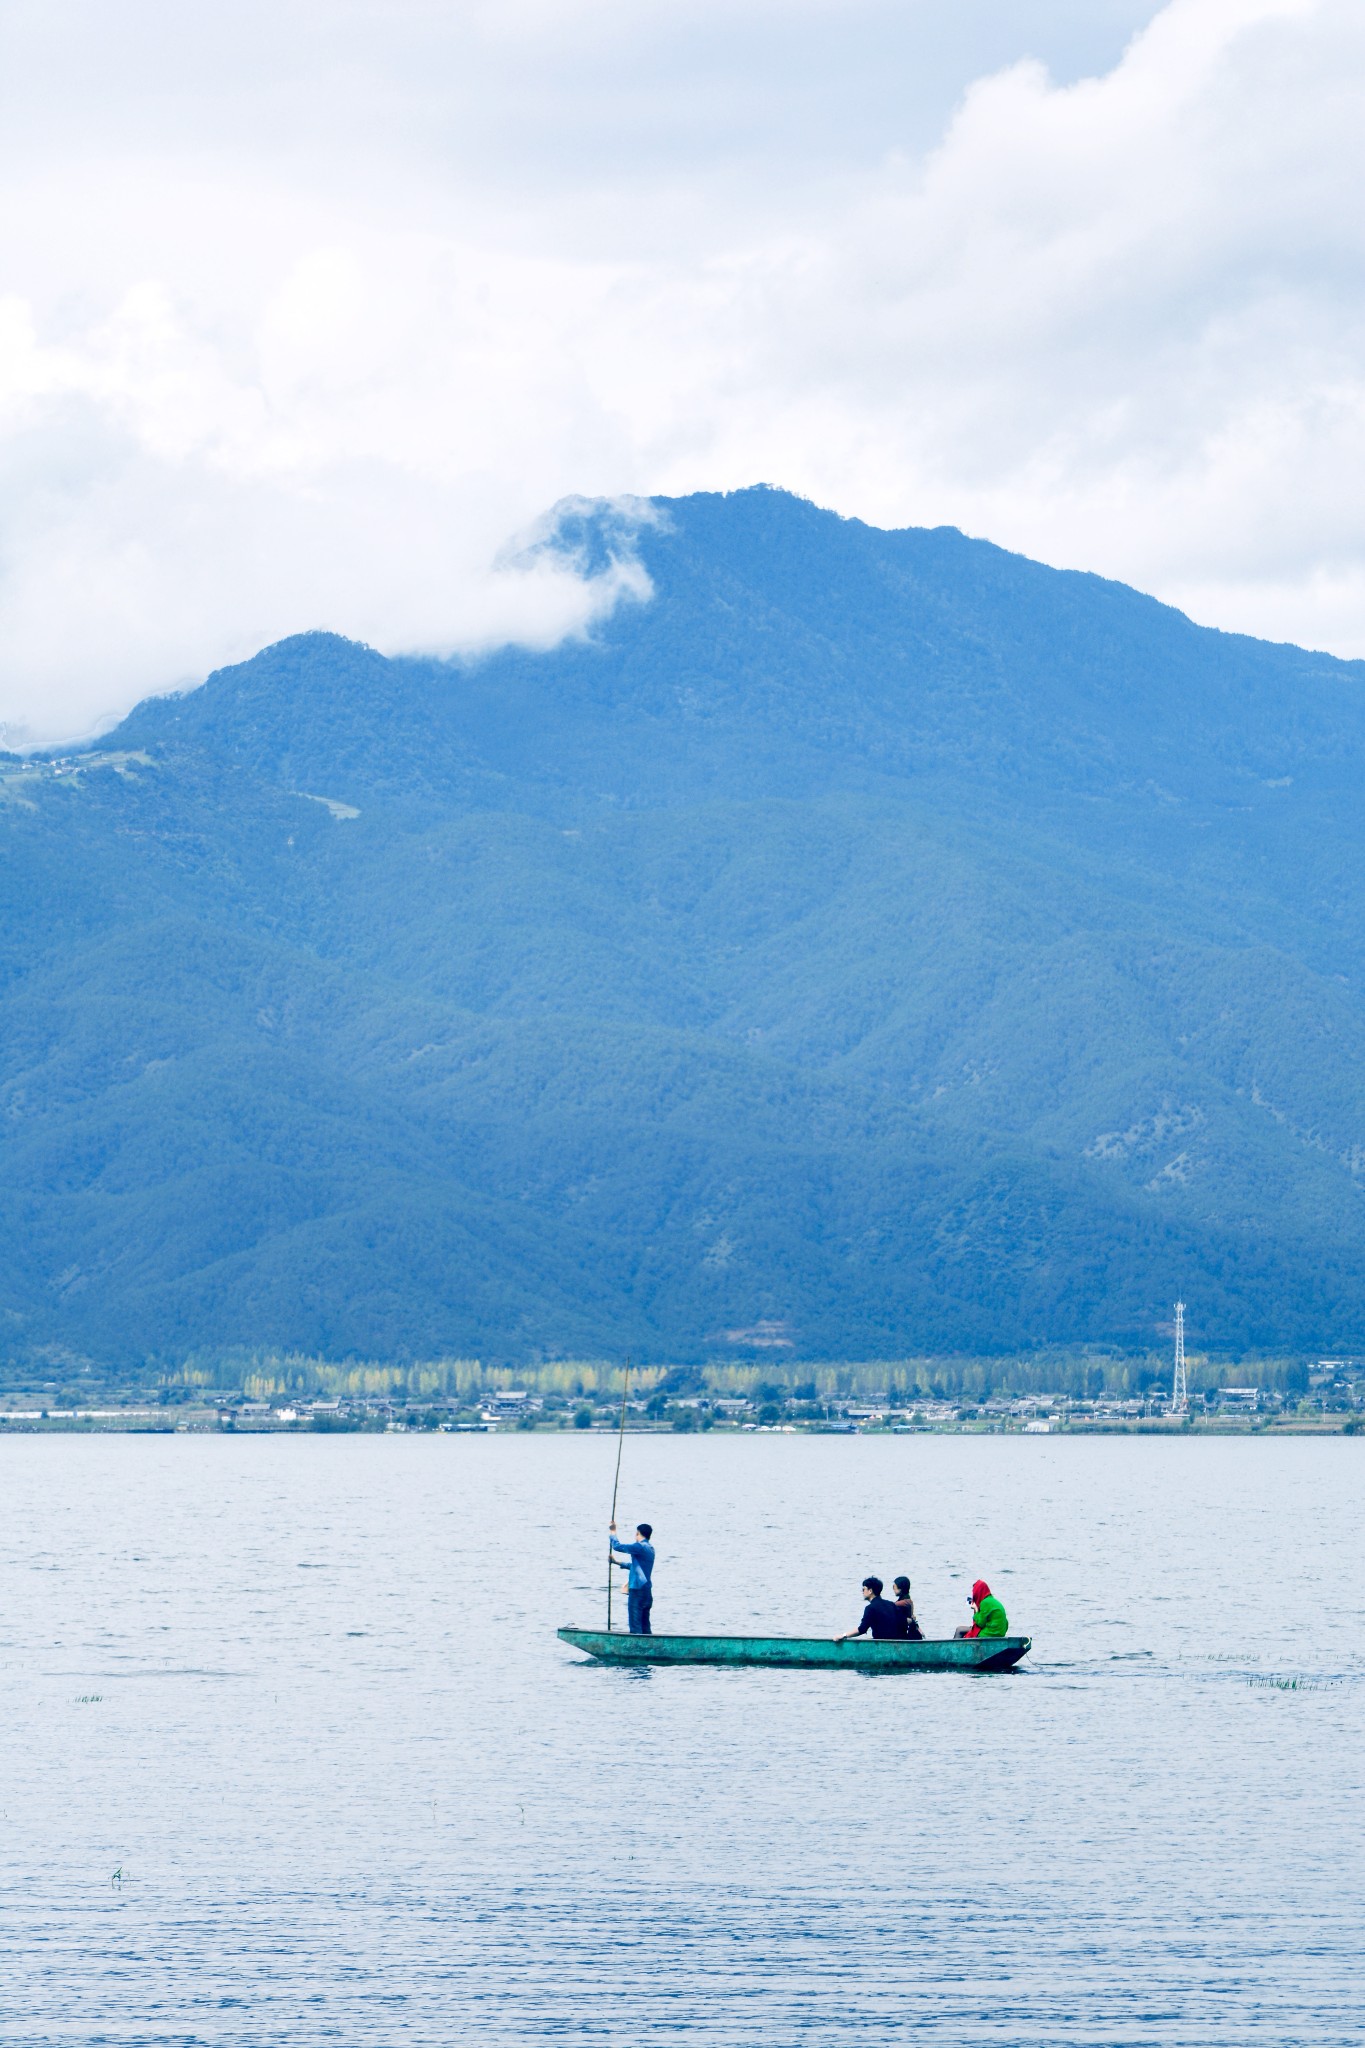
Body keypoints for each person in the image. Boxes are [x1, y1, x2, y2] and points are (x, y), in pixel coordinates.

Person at [609, 1520, 655, 1634]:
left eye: (636, 1534)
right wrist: (617, 1562)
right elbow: (635, 1567)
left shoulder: (639, 1547)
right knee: (645, 1627)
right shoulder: (651, 1549)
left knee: (635, 1627)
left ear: (638, 1534)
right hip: (647, 1593)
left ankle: (637, 1649)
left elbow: (617, 1546)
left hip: (637, 1592)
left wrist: (613, 1531)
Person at [834, 1575, 907, 1643]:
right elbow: (903, 1622)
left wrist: (843, 1635)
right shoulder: (891, 1604)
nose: (862, 1592)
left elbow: (862, 1629)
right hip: (898, 1642)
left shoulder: (870, 1608)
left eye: (864, 1589)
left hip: (882, 1645)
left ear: (870, 1591)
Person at [891, 1575, 925, 1641]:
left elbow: (892, 1606)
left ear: (900, 1588)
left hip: (905, 1633)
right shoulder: (907, 1599)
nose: (893, 1589)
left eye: (894, 1587)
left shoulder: (905, 1602)